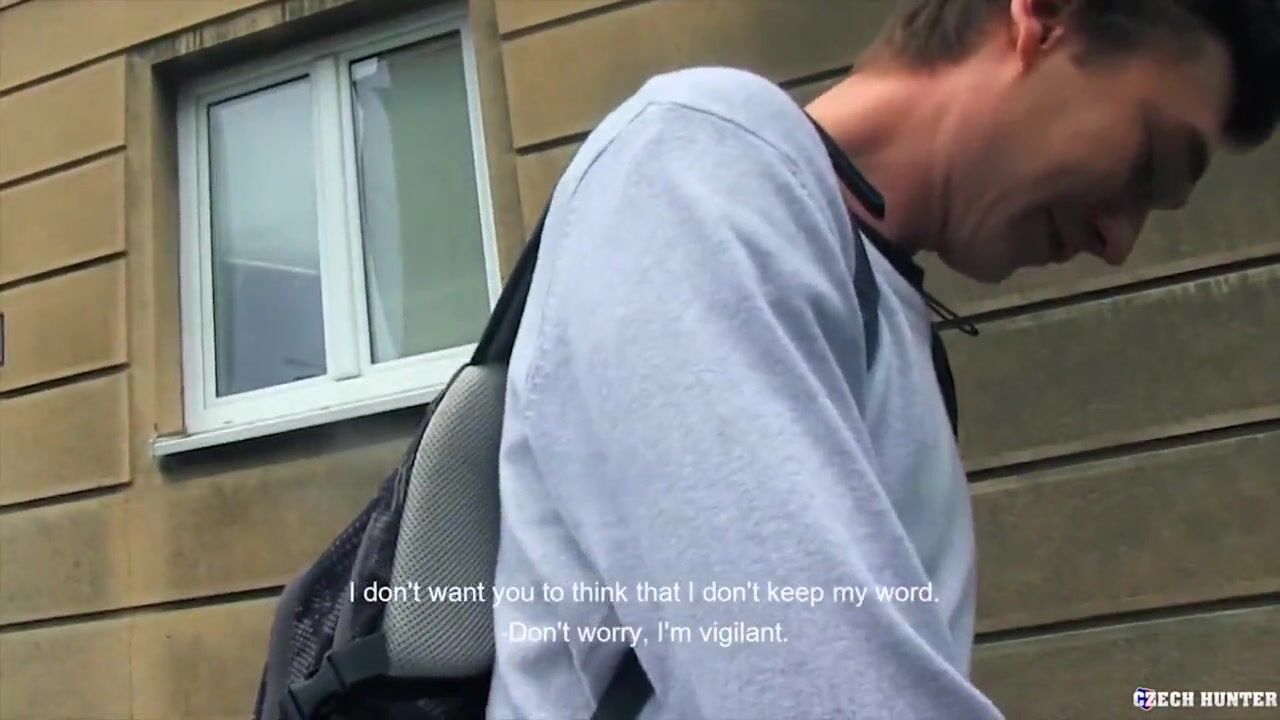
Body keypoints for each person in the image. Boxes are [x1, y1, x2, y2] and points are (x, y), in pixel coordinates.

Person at [486, 1, 1279, 718]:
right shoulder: (699, 157)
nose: (1119, 243)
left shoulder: (892, 326)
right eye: (1148, 166)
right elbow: (802, 688)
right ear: (1041, 18)